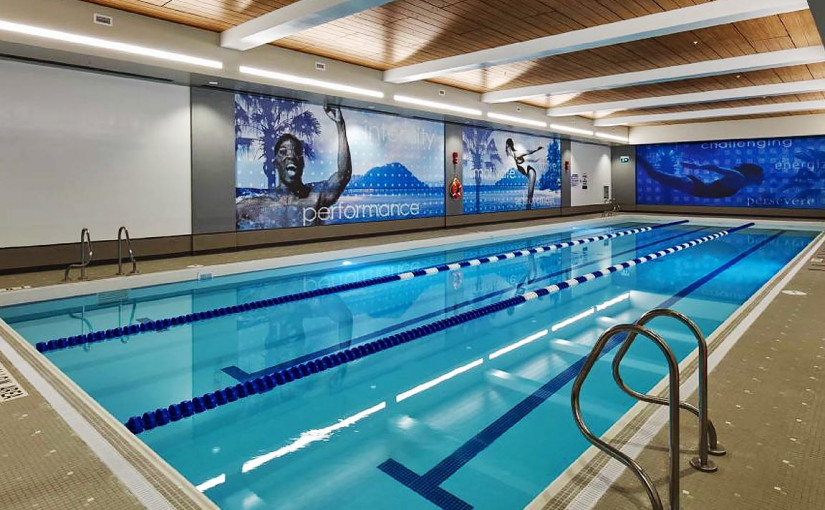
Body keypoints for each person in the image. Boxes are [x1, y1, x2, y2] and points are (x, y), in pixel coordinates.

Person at [237, 105, 352, 228]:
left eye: (297, 152)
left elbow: (343, 175)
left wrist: (340, 125)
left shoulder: (316, 197)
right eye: (283, 152)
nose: (291, 156)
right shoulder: (256, 206)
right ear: (275, 163)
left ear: (302, 164)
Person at [639, 157, 763, 199]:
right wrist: (696, 166)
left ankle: (639, 158)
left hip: (695, 187)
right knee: (653, 174)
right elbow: (716, 168)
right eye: (760, 177)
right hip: (693, 186)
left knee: (655, 175)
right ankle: (637, 157)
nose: (761, 180)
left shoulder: (742, 182)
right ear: (753, 174)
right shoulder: (739, 177)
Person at [505, 138, 543, 209]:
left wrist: (536, 150)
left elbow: (527, 152)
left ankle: (528, 208)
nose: (507, 151)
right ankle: (528, 208)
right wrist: (534, 160)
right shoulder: (513, 158)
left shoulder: (517, 153)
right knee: (529, 194)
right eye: (507, 150)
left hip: (531, 171)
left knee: (530, 193)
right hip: (527, 173)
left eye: (508, 148)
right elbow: (526, 160)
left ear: (509, 146)